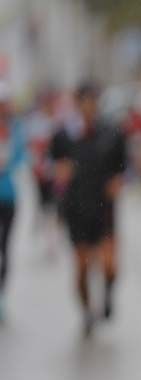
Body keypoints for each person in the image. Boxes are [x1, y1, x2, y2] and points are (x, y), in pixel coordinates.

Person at [50, 81, 127, 338]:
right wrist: (58, 208)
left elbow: (122, 169)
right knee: (82, 267)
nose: (89, 107)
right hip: (77, 207)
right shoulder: (64, 136)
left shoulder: (112, 134)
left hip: (104, 208)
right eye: (85, 101)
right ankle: (86, 311)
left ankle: (107, 294)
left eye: (93, 102)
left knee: (109, 264)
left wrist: (117, 183)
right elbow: (57, 173)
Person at [0, 81, 27, 323]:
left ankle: (2, 295)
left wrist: (6, 164)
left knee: (4, 248)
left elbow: (21, 157)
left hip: (7, 197)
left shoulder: (15, 128)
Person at [26, 87, 60, 258]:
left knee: (55, 208)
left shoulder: (59, 121)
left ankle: (53, 238)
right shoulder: (36, 122)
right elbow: (32, 149)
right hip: (42, 174)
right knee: (47, 208)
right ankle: (49, 241)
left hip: (56, 175)